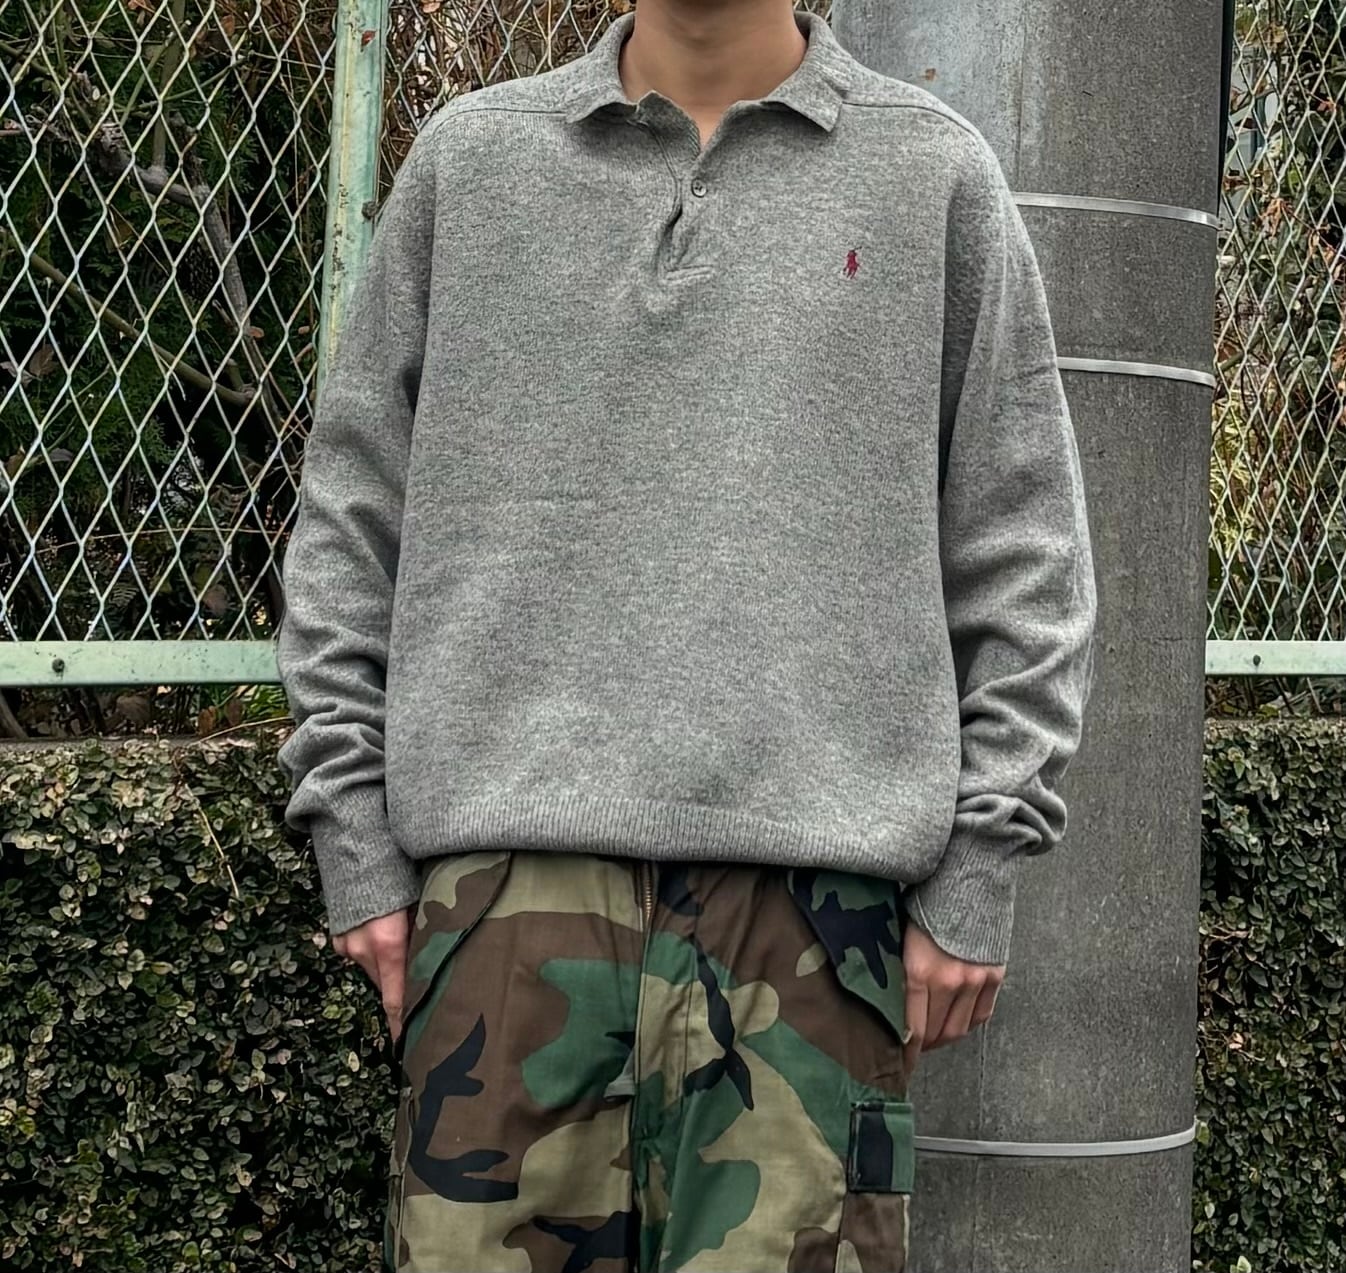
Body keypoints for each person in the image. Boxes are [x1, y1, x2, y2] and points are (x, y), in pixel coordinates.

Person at [274, 1, 1098, 1269]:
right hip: (504, 908)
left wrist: (981, 863)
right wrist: (354, 842)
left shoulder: (932, 174)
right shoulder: (470, 164)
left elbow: (1023, 548)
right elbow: (348, 516)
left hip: (814, 922)